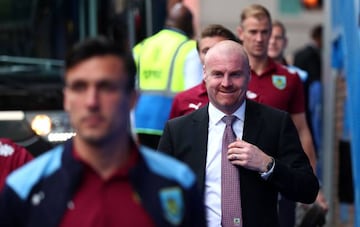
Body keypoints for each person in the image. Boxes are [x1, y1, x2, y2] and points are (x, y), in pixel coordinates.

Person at [0, 37, 206, 227]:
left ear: (133, 98)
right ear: (66, 98)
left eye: (106, 87)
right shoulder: (24, 188)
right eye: (80, 87)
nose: (91, 102)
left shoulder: (178, 183)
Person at [158, 40, 319, 227]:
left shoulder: (276, 123)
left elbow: (308, 190)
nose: (226, 83)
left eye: (235, 74)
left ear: (249, 74)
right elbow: (158, 191)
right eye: (218, 74)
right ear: (204, 74)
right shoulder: (178, 130)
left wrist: (267, 165)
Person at [266, 19, 328, 226]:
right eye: (269, 36)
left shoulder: (297, 77)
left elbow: (304, 127)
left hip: (287, 162)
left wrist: (313, 181)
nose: (272, 42)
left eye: (278, 37)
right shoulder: (242, 75)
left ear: (285, 41)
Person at [133, 2, 202, 149]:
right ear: (189, 24)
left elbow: (131, 86)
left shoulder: (142, 46)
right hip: (171, 122)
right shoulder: (189, 49)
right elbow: (194, 92)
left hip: (139, 121)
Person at [169, 24, 239, 119]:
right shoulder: (183, 100)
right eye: (206, 51)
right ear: (198, 55)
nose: (212, 56)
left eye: (219, 50)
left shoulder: (248, 97)